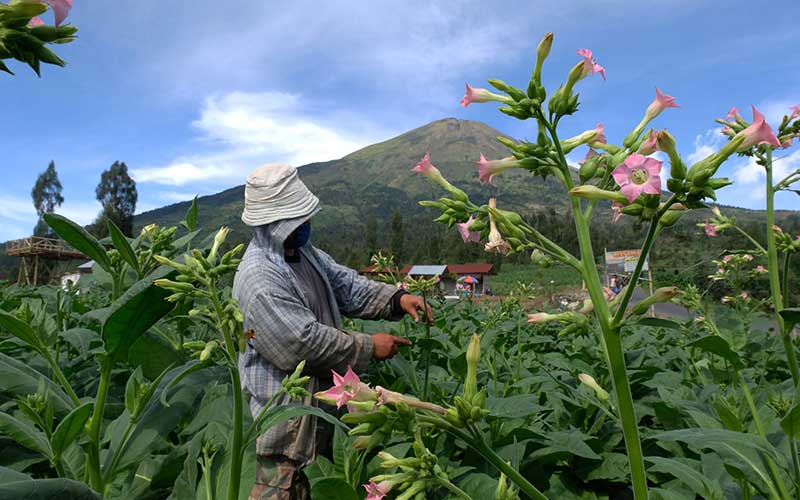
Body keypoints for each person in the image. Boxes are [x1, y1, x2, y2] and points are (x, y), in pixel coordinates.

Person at [233, 164, 431, 500]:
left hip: (318, 415)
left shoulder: (303, 254)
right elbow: (299, 344)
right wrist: (368, 346)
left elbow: (347, 285)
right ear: (275, 225)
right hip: (284, 429)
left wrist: (398, 299)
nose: (307, 223)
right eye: (299, 219)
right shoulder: (258, 277)